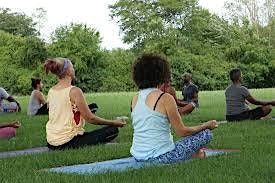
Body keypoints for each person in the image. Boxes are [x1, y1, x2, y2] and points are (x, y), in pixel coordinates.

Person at [130, 53, 217, 164]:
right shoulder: (165, 97)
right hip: (161, 157)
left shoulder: (135, 98)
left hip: (138, 156)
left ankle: (193, 154)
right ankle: (195, 155)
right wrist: (206, 125)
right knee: (206, 134)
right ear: (161, 74)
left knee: (179, 143)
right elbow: (182, 132)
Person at [44, 58, 126, 150]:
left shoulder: (51, 91)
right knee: (112, 130)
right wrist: (114, 122)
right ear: (68, 71)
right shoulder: (74, 91)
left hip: (51, 142)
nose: (74, 69)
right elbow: (90, 118)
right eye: (72, 67)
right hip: (66, 142)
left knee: (89, 133)